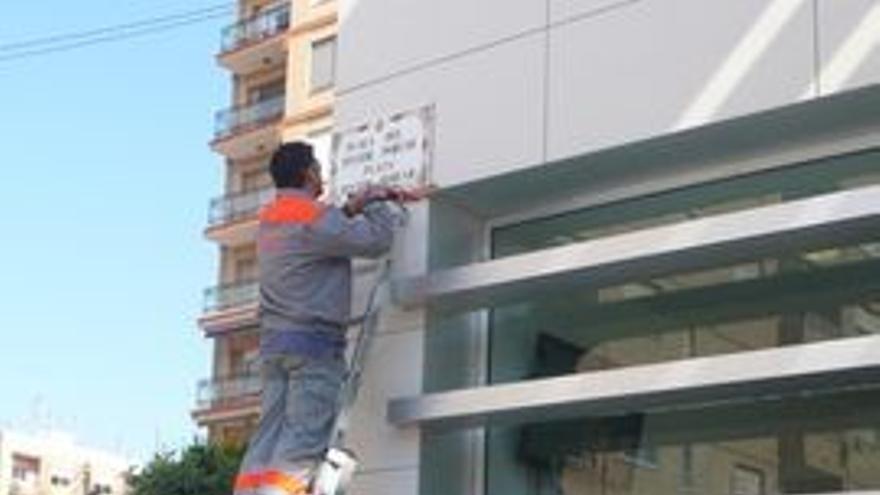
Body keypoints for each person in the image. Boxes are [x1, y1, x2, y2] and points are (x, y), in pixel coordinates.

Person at [234, 141, 422, 495]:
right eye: (318, 168)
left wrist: (349, 209)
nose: (322, 174)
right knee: (300, 448)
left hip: (275, 349)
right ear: (308, 173)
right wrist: (376, 201)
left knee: (268, 442)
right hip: (312, 350)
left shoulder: (271, 219)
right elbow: (376, 241)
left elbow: (318, 233)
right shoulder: (314, 218)